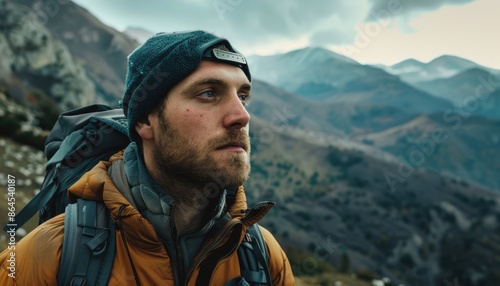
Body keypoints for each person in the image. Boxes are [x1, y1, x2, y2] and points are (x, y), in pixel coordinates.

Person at [0, 30, 295, 285]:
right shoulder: (48, 256)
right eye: (208, 93)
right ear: (144, 122)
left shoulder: (262, 256)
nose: (241, 116)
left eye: (243, 96)